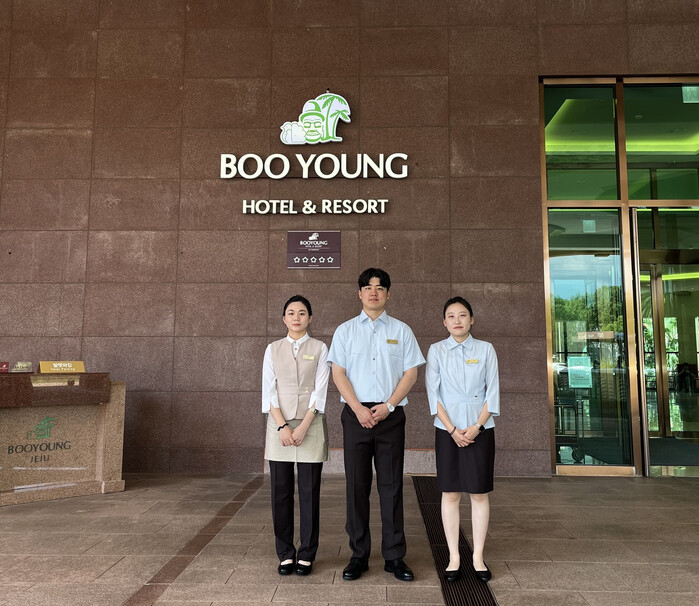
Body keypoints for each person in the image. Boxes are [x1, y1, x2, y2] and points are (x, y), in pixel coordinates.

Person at [328, 268, 425, 582]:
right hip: (355, 416)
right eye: (368, 287)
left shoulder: (402, 330)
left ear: (388, 294)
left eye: (380, 288)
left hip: (390, 417)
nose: (374, 292)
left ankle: (394, 556)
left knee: (391, 486)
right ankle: (358, 555)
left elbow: (411, 373)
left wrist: (389, 405)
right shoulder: (345, 331)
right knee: (356, 487)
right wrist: (358, 409)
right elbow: (338, 373)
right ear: (359, 293)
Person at [425, 297, 500, 583]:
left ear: (472, 320)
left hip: (480, 430)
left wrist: (477, 427)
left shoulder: (486, 349)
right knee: (450, 493)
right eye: (451, 316)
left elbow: (492, 392)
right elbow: (434, 394)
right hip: (448, 432)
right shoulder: (436, 350)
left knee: (479, 493)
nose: (457, 320)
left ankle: (478, 556)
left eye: (463, 315)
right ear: (444, 322)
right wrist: (452, 430)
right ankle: (454, 557)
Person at [262, 295, 330, 576]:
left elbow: (321, 389)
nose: (296, 317)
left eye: (302, 313)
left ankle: (307, 553)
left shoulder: (320, 348)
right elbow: (269, 391)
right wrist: (282, 426)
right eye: (291, 313)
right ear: (284, 319)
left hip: (310, 423)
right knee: (280, 491)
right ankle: (285, 553)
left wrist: (303, 426)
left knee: (309, 492)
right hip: (279, 424)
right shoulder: (272, 349)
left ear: (310, 318)